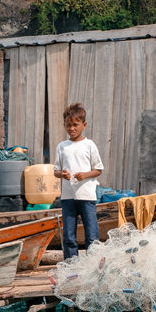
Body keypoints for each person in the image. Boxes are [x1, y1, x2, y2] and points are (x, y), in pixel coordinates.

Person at [53, 102, 103, 259]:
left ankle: (93, 265)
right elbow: (55, 171)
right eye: (68, 125)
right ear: (64, 126)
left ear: (84, 125)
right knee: (69, 235)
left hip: (86, 196)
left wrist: (85, 175)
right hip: (68, 197)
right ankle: (71, 267)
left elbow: (98, 169)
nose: (72, 128)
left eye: (75, 125)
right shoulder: (62, 146)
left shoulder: (89, 145)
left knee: (92, 235)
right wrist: (63, 174)